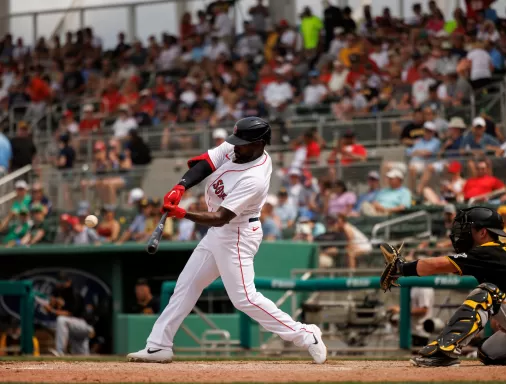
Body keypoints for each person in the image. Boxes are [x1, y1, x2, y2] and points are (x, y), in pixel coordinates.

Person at [127, 117, 327, 364]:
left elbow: (221, 217)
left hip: (238, 233)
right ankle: (158, 346)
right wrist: (181, 186)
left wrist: (183, 214)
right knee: (186, 286)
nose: (237, 147)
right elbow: (205, 164)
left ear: (261, 143)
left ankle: (306, 334)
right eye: (237, 141)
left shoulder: (254, 178)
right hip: (219, 233)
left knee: (244, 298)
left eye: (244, 143)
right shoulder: (237, 148)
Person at [379, 206, 506, 367]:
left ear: (483, 232)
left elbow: (438, 265)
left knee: (487, 292)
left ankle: (445, 350)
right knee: (488, 352)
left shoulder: (490, 251)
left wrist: (401, 268)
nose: (462, 233)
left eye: (469, 228)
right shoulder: (495, 253)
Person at [43, 274, 95, 356]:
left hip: (84, 325)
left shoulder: (74, 293)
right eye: (60, 282)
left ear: (69, 282)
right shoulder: (58, 292)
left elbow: (70, 313)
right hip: (74, 328)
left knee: (61, 320)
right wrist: (50, 307)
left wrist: (52, 310)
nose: (62, 284)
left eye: (64, 281)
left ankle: (60, 351)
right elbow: (54, 310)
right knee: (81, 355)